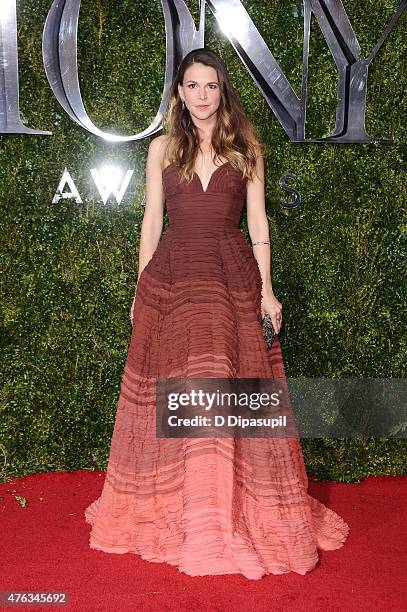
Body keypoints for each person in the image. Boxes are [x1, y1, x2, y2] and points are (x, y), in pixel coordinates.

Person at [85, 47, 349, 580]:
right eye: (191, 86)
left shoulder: (247, 147)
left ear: (221, 90)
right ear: (178, 92)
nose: (201, 96)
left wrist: (267, 291)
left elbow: (258, 227)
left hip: (230, 280)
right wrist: (141, 287)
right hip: (174, 278)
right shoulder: (161, 148)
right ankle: (186, 507)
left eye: (210, 86)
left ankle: (225, 511)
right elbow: (151, 223)